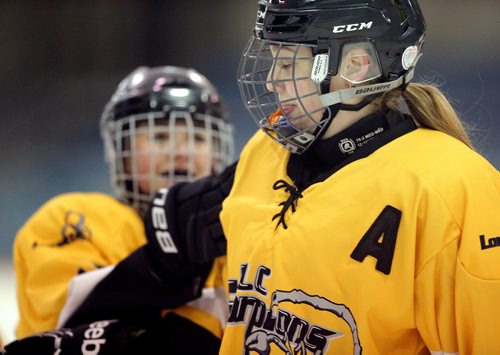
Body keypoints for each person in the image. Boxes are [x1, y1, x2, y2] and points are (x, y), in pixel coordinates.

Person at [141, 0, 499, 353]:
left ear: (357, 66)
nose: (270, 82)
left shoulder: (451, 186)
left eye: (286, 64)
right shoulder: (264, 152)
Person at [6, 66, 234, 354]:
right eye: (160, 136)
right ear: (122, 155)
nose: (182, 150)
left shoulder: (234, 244)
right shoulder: (72, 218)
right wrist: (170, 250)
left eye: (198, 138)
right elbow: (66, 322)